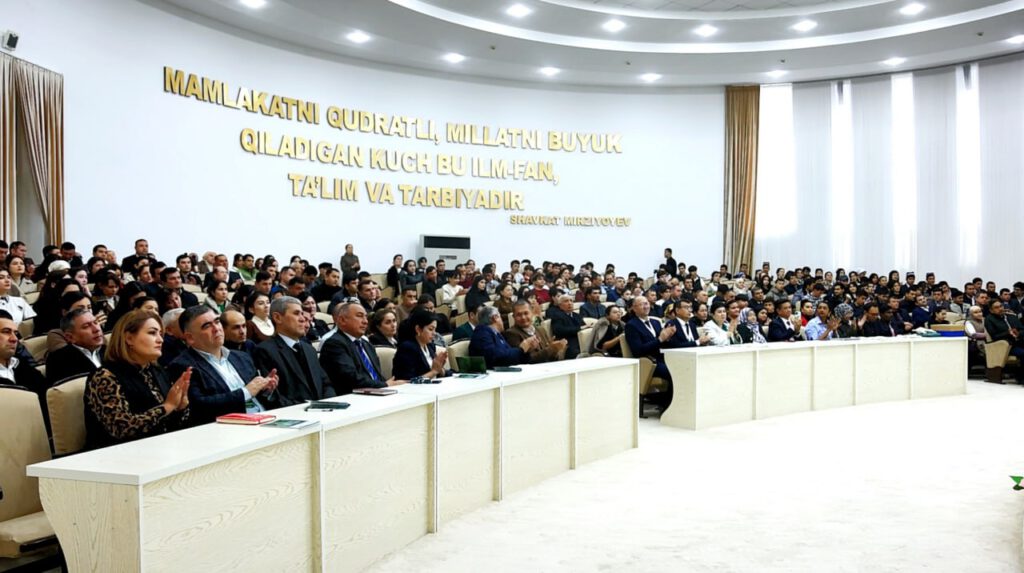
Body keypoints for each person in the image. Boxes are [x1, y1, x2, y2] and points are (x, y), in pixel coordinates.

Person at [83, 309, 191, 450]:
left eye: (161, 334)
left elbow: (169, 426)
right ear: (129, 338)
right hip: (114, 455)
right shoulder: (105, 376)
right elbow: (121, 429)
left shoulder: (157, 370)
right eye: (152, 333)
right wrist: (168, 406)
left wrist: (180, 407)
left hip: (158, 448)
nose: (160, 340)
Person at [168, 306, 280, 425]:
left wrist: (266, 390)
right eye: (207, 326)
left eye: (217, 322)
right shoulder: (183, 365)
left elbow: (257, 395)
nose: (216, 328)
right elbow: (199, 406)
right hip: (230, 428)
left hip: (266, 418)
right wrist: (245, 392)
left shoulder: (242, 357)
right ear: (190, 338)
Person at [253, 296, 335, 404]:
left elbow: (326, 384)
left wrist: (328, 403)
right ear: (277, 318)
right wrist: (307, 408)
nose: (303, 319)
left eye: (302, 313)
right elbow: (273, 396)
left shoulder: (309, 349)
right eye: (296, 314)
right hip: (292, 412)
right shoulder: (265, 351)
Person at [319, 302, 399, 394]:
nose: (365, 321)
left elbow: (376, 376)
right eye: (359, 316)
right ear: (342, 320)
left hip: (376, 393)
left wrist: (389, 385)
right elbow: (351, 379)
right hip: (352, 397)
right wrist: (384, 385)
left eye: (366, 317)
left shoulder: (366, 344)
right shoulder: (334, 344)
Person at [46, 307, 106, 384]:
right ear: (70, 337)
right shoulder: (58, 360)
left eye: (96, 322)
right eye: (86, 326)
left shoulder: (109, 351)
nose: (96, 329)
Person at [392, 309, 450, 380]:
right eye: (431, 329)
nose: (434, 333)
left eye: (435, 329)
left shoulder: (430, 346)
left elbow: (440, 371)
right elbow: (408, 381)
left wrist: (440, 369)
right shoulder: (407, 348)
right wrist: (434, 372)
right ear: (418, 329)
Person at [470, 305, 536, 368]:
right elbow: (496, 357)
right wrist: (521, 349)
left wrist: (526, 352)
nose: (502, 321)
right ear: (495, 318)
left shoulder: (497, 334)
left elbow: (508, 355)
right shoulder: (482, 333)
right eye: (500, 317)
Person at [549, 294, 585, 359]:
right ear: (560, 305)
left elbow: (584, 327)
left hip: (580, 340)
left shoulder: (577, 315)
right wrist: (579, 328)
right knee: (575, 352)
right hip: (567, 342)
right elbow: (559, 330)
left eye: (571, 301)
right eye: (566, 301)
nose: (570, 303)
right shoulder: (557, 315)